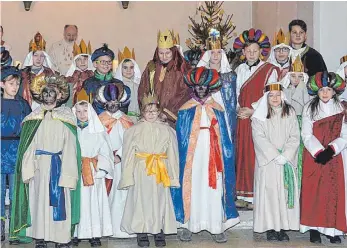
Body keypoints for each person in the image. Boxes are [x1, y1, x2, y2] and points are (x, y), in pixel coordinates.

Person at [9, 75, 81, 248]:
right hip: (39, 167)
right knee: (39, 201)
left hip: (59, 166)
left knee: (59, 202)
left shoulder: (66, 118)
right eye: (45, 93)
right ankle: (40, 236)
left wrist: (69, 174)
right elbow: (28, 147)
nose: (48, 96)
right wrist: (28, 170)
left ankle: (60, 238)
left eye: (52, 93)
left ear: (58, 95)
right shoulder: (32, 119)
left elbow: (71, 148)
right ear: (40, 95)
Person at [171, 67, 239, 243]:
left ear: (210, 88)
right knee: (191, 185)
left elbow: (225, 135)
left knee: (213, 186)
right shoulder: (185, 109)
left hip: (213, 154)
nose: (201, 89)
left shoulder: (217, 108)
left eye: (204, 86)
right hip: (191, 157)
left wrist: (225, 153)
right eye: (198, 86)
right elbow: (181, 137)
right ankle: (186, 224)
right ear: (192, 87)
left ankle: (216, 226)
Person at [118, 93, 179, 247]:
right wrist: (127, 177)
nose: (151, 114)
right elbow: (128, 156)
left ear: (159, 111)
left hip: (160, 169)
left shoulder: (167, 131)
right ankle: (141, 231)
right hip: (141, 169)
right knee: (141, 199)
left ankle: (158, 230)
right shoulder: (133, 131)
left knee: (159, 199)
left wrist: (173, 176)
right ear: (142, 112)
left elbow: (172, 154)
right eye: (147, 111)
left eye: (154, 111)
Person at [233, 28, 279, 208]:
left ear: (261, 51)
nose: (251, 54)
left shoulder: (270, 70)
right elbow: (235, 93)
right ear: (243, 52)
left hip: (259, 118)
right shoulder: (239, 69)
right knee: (242, 154)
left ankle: (256, 195)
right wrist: (238, 109)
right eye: (248, 51)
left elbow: (271, 95)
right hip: (241, 118)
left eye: (255, 50)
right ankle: (243, 195)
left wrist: (252, 111)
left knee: (256, 154)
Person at [301, 71, 347, 244]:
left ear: (335, 91)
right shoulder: (309, 108)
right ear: (316, 92)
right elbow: (306, 134)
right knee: (314, 191)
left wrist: (332, 149)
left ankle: (332, 230)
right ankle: (314, 228)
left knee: (333, 192)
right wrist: (319, 152)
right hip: (314, 156)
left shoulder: (343, 108)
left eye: (328, 89)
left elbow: (345, 133)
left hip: (335, 157)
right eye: (321, 90)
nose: (325, 93)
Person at [251, 83, 300, 241]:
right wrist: (273, 155)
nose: (275, 98)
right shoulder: (259, 115)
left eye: (278, 95)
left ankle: (282, 228)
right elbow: (259, 137)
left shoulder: (290, 112)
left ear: (282, 96)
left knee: (284, 195)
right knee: (269, 194)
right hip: (268, 162)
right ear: (266, 98)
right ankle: (271, 228)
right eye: (271, 96)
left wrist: (286, 155)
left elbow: (294, 135)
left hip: (285, 160)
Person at [71, 101, 113, 247]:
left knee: (94, 202)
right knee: (78, 202)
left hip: (93, 171)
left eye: (85, 111)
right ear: (74, 113)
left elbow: (106, 151)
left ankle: (94, 233)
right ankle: (75, 232)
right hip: (76, 170)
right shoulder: (71, 130)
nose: (82, 115)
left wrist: (102, 168)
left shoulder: (98, 130)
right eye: (79, 112)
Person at [96, 83, 135, 238]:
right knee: (105, 194)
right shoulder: (98, 120)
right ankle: (105, 228)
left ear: (121, 103)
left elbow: (131, 141)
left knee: (121, 194)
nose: (112, 105)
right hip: (105, 162)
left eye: (116, 103)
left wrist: (119, 154)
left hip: (122, 162)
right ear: (104, 102)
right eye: (109, 103)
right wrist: (107, 156)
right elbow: (97, 140)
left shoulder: (127, 120)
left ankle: (123, 228)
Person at [1, 66, 31, 243]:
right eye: (11, 83)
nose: (15, 87)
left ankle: (15, 230)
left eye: (17, 83)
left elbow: (29, 127)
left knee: (15, 192)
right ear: (2, 84)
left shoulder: (23, 104)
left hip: (16, 150)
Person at [138, 29, 191, 127]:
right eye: (161, 53)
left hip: (172, 117)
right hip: (152, 116)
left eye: (167, 53)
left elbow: (185, 94)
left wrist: (167, 113)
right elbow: (143, 89)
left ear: (174, 52)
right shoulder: (151, 67)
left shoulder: (182, 68)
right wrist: (150, 111)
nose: (164, 56)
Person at [196, 28, 237, 142]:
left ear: (222, 54)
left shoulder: (230, 76)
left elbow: (234, 97)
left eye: (219, 52)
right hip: (207, 114)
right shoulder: (201, 75)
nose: (215, 56)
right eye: (212, 52)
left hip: (225, 113)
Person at [282, 56, 312, 188]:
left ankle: (301, 184)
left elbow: (307, 105)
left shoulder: (306, 91)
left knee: (301, 155)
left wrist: (301, 87)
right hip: (288, 124)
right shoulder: (284, 91)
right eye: (293, 76)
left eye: (300, 77)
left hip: (301, 123)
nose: (296, 79)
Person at [83, 44, 127, 115]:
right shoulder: (88, 83)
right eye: (103, 62)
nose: (106, 64)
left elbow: (124, 106)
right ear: (95, 64)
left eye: (109, 62)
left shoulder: (118, 83)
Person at [21, 32, 55, 110]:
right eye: (35, 55)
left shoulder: (49, 73)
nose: (39, 59)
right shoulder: (23, 73)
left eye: (42, 56)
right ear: (30, 56)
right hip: (27, 108)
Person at [114, 46, 141, 122]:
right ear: (120, 69)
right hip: (123, 119)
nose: (128, 70)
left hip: (138, 120)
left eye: (131, 67)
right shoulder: (118, 86)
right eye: (125, 68)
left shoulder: (138, 85)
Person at [66, 40, 94, 107]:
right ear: (75, 62)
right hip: (75, 103)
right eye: (79, 60)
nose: (82, 62)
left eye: (85, 59)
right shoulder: (72, 75)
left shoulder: (92, 74)